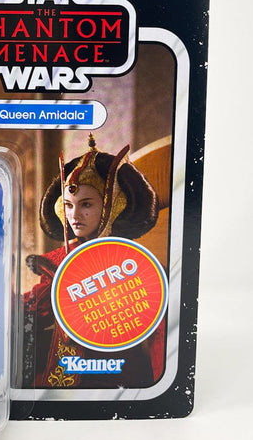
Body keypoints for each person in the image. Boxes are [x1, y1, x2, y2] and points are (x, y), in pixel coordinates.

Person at [24, 135, 161, 388]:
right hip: (63, 371)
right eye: (68, 205)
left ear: (113, 205)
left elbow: (159, 336)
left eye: (86, 204)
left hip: (118, 375)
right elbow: (35, 310)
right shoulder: (61, 261)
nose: (74, 215)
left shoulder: (133, 264)